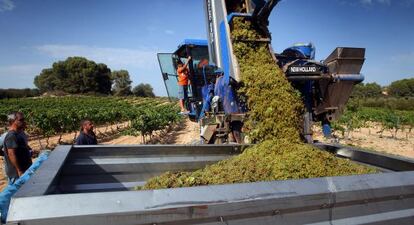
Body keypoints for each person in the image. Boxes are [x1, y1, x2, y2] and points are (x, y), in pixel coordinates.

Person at [3, 112, 33, 184]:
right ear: (13, 121)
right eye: (21, 120)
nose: (24, 121)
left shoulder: (18, 134)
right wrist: (19, 170)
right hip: (17, 174)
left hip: (23, 171)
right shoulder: (11, 136)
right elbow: (11, 154)